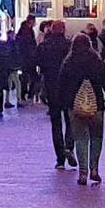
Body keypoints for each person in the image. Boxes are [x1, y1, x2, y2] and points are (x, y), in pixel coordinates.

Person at [59, 33, 105, 185]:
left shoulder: (69, 62)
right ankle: (94, 168)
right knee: (96, 137)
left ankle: (82, 173)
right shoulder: (97, 61)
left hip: (75, 105)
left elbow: (61, 83)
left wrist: (63, 103)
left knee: (80, 138)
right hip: (96, 105)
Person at [37, 19, 74, 168]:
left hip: (51, 87)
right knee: (70, 120)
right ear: (64, 30)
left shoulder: (44, 46)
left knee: (56, 123)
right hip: (68, 87)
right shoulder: (69, 46)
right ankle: (69, 146)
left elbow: (35, 62)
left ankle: (60, 158)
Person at [16, 16, 40, 103]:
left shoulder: (23, 30)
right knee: (32, 77)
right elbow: (30, 45)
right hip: (29, 58)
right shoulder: (28, 31)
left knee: (25, 76)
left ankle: (24, 94)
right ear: (31, 21)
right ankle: (29, 94)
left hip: (24, 58)